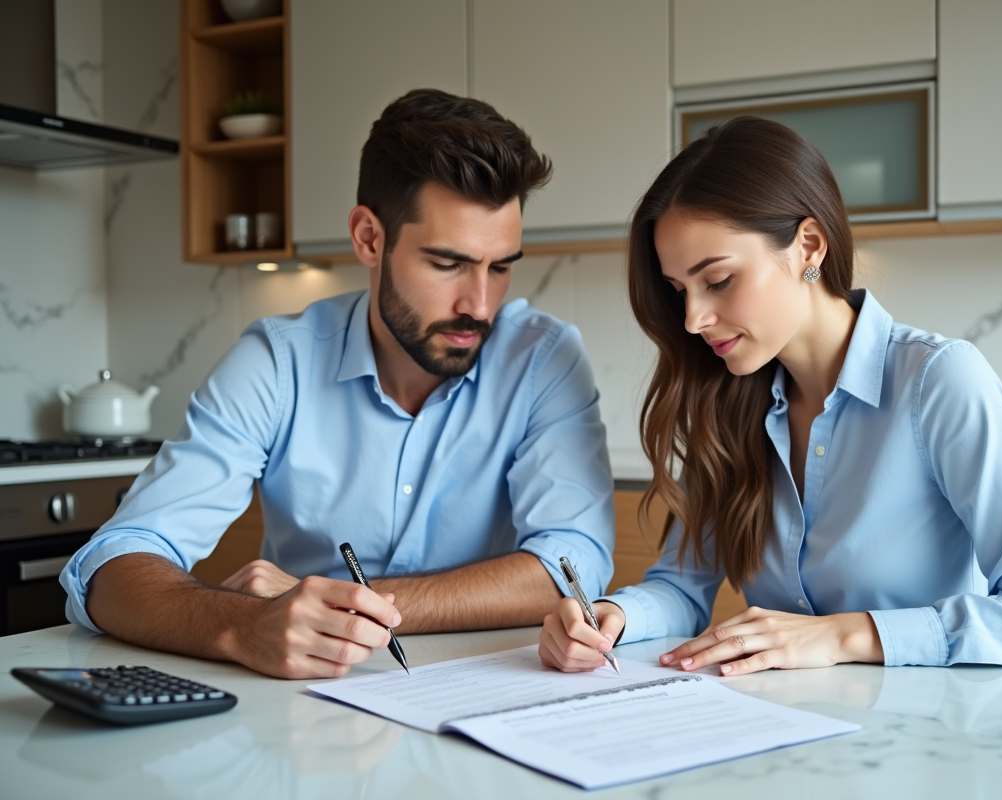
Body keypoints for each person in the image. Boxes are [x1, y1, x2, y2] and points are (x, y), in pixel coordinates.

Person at [62, 89, 616, 679]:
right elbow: (113, 563)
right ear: (369, 238)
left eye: (500, 266)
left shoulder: (543, 358)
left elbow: (571, 563)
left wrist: (334, 601)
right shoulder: (276, 363)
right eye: (447, 263)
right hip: (304, 707)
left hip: (485, 694)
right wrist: (242, 625)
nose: (479, 304)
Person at [539, 116, 1002, 675]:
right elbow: (683, 588)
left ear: (808, 245)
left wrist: (844, 635)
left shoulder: (940, 381)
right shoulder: (725, 401)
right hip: (792, 734)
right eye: (678, 290)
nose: (692, 319)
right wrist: (611, 616)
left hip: (931, 739)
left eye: (718, 280)